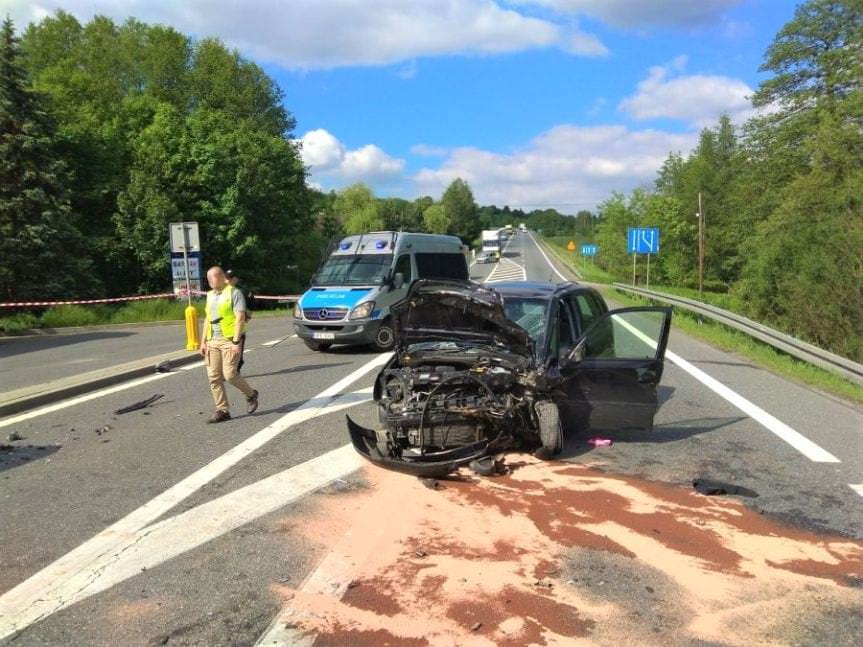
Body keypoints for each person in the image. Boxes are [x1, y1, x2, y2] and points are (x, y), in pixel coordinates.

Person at [200, 266, 259, 423]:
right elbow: (207, 319)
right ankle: (222, 410)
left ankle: (251, 394)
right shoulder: (210, 295)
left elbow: (240, 318)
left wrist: (236, 342)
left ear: (220, 277)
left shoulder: (234, 293)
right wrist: (203, 342)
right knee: (213, 377)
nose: (209, 281)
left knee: (230, 374)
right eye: (208, 278)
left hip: (229, 340)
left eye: (212, 278)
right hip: (213, 341)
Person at [225, 269, 251, 371]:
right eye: (226, 278)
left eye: (230, 279)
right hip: (226, 326)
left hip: (238, 325)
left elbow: (252, 301)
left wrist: (248, 312)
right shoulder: (222, 290)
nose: (227, 281)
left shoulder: (242, 290)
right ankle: (229, 370)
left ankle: (237, 367)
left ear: (235, 279)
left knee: (237, 351)